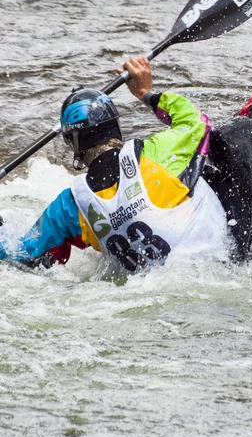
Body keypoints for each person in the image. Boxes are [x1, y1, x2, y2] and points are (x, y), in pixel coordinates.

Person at [0, 56, 229, 278]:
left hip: (146, 291)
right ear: (115, 127)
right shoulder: (156, 154)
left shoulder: (70, 207)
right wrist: (145, 93)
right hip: (215, 264)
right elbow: (196, 121)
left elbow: (27, 258)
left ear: (74, 144)